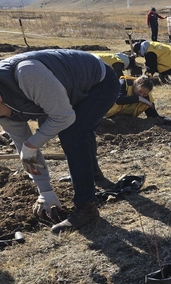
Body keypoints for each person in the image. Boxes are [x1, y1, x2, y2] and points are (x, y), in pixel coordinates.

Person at [0, 49, 119, 233]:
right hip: (65, 89)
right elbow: (26, 150)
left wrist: (32, 145)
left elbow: (63, 117)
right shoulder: (3, 113)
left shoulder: (27, 75)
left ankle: (87, 208)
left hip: (99, 82)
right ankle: (92, 175)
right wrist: (45, 191)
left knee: (73, 134)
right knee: (78, 132)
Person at [105, 75, 171, 125]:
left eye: (145, 93)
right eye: (139, 92)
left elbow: (152, 115)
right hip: (106, 116)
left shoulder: (147, 98)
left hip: (125, 121)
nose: (141, 95)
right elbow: (119, 99)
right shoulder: (123, 84)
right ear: (134, 83)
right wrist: (139, 99)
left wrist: (164, 120)